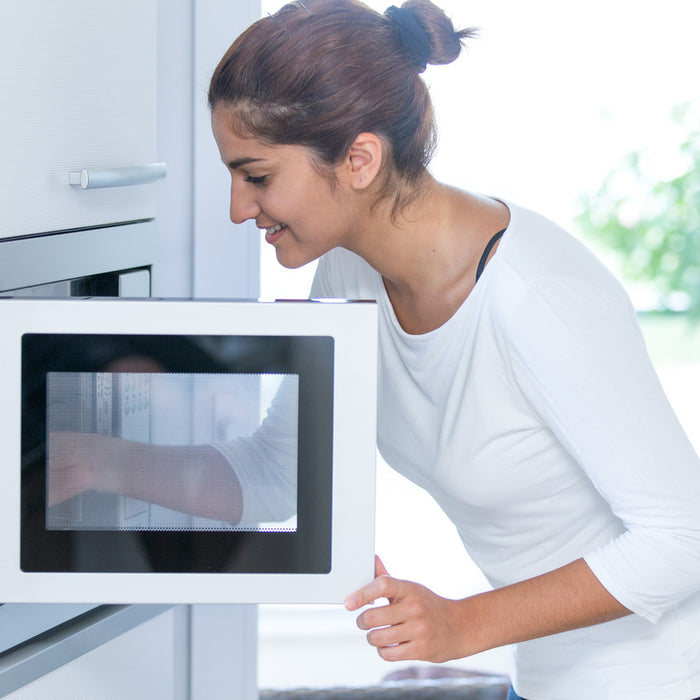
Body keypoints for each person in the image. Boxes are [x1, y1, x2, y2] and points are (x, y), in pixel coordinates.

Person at [207, 1, 700, 698]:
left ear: (359, 159)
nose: (236, 207)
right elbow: (272, 471)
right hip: (545, 674)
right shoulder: (350, 274)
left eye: (255, 176)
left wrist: (460, 626)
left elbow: (686, 537)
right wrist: (85, 461)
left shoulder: (536, 297)